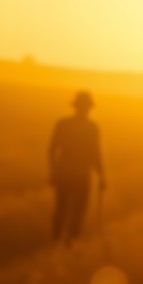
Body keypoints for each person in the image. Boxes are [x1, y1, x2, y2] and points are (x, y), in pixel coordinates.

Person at [48, 90, 106, 244]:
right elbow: (52, 149)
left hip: (72, 175)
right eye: (84, 106)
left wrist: (102, 175)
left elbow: (95, 154)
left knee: (68, 212)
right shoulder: (90, 127)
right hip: (74, 175)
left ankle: (64, 244)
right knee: (69, 212)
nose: (85, 109)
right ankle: (64, 243)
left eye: (86, 107)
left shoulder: (66, 124)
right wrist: (101, 175)